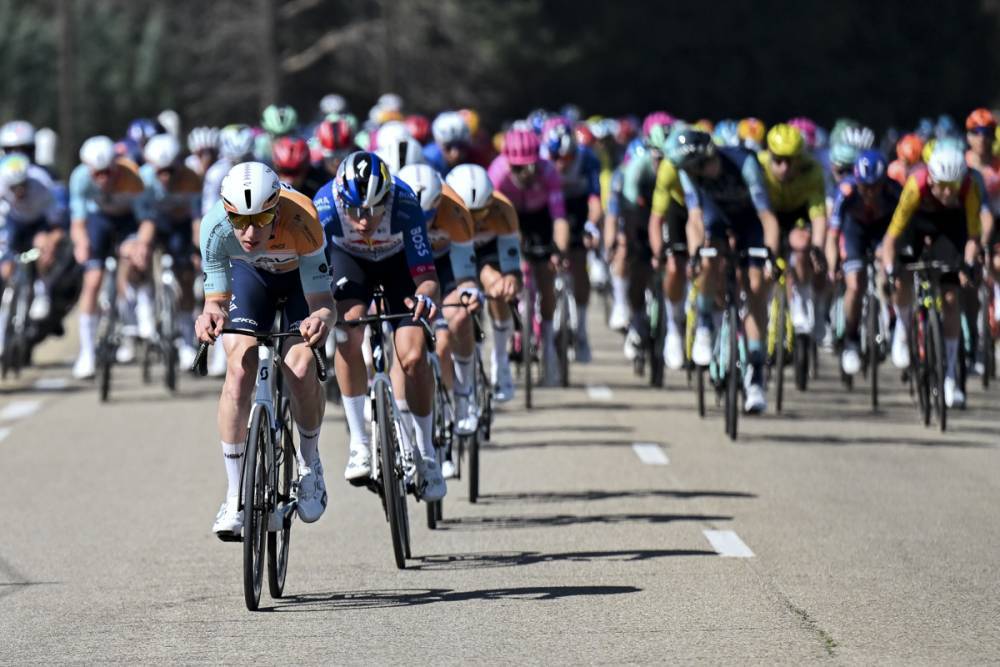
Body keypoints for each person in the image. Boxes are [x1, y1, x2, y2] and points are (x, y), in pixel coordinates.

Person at [196, 161, 335, 538]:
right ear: (227, 212)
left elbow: (323, 302)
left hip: (298, 283)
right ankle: (235, 495)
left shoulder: (303, 218)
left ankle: (309, 465)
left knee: (300, 368)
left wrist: (320, 320)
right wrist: (209, 316)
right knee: (239, 369)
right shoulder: (214, 227)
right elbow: (215, 301)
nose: (250, 231)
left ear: (277, 208)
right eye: (240, 221)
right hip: (250, 279)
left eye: (261, 219)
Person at [313, 151, 447, 501]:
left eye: (373, 210)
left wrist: (425, 298)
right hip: (350, 262)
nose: (363, 221)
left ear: (387, 198)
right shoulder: (324, 207)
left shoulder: (405, 202)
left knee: (413, 357)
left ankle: (427, 454)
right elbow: (314, 275)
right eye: (355, 210)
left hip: (398, 265)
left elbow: (427, 277)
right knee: (348, 332)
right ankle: (359, 442)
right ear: (341, 200)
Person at [670, 129, 780, 413]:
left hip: (749, 220)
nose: (695, 173)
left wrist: (771, 256)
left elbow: (767, 217)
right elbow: (695, 219)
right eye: (690, 170)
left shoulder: (744, 164)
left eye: (698, 167)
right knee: (708, 258)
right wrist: (695, 254)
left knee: (755, 286)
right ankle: (705, 324)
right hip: (715, 218)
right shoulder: (688, 172)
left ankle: (756, 373)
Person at [882, 143, 982, 408]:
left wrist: (968, 263)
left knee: (950, 298)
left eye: (953, 186)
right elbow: (891, 237)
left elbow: (973, 236)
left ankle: (950, 374)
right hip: (917, 224)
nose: (948, 192)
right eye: (943, 186)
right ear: (932, 179)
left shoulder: (969, 188)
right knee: (903, 276)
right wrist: (890, 270)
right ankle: (903, 328)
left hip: (951, 227)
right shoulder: (916, 185)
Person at [397, 163, 479, 475]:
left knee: (450, 330)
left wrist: (469, 294)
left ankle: (461, 394)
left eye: (430, 214)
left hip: (445, 268)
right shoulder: (396, 209)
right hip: (407, 270)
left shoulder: (456, 211)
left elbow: (466, 273)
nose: (424, 221)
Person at [68, 136, 155, 379]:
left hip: (128, 221)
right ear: (88, 170)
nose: (103, 179)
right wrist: (81, 243)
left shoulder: (132, 177)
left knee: (135, 258)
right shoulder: (79, 178)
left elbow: (147, 220)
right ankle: (87, 353)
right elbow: (78, 222)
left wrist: (142, 245)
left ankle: (141, 309)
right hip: (100, 220)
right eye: (97, 174)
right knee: (92, 280)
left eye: (108, 172)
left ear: (116, 166)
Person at [488, 127, 569, 385]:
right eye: (518, 168)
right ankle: (513, 329)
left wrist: (559, 251)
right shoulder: (497, 174)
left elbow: (559, 217)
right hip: (508, 218)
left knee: (546, 278)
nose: (525, 173)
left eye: (530, 167)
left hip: (540, 218)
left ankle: (548, 343)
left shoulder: (548, 172)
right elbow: (492, 222)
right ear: (508, 163)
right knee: (510, 270)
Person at [447, 163, 523, 403]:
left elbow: (512, 266)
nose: (474, 222)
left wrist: (510, 280)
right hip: (451, 253)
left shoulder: (503, 210)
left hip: (487, 253)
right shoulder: (443, 209)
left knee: (497, 284)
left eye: (481, 214)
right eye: (468, 214)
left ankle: (500, 358)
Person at [827, 150, 900, 375]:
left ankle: (894, 323)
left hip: (882, 230)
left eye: (875, 187)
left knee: (889, 272)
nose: (869, 192)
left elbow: (906, 227)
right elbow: (832, 235)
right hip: (854, 232)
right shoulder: (846, 191)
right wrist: (832, 266)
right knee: (855, 285)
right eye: (864, 187)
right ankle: (851, 339)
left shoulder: (895, 190)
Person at [758, 123, 829, 339]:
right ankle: (761, 304)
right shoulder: (758, 166)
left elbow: (818, 216)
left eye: (790, 161)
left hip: (797, 213)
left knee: (802, 244)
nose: (784, 168)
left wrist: (817, 248)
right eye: (778, 160)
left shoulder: (812, 171)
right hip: (767, 213)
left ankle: (803, 298)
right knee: (762, 262)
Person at [541, 117, 603, 362]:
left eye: (565, 158)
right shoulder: (541, 160)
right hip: (548, 207)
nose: (560, 163)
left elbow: (595, 201)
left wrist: (591, 226)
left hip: (577, 207)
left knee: (579, 262)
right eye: (555, 157)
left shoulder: (587, 159)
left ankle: (582, 329)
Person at [139, 134, 202, 367]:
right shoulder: (143, 179)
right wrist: (142, 246)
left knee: (185, 276)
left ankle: (186, 339)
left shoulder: (191, 178)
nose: (165, 177)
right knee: (139, 259)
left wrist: (199, 249)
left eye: (170, 171)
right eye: (160, 172)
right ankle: (144, 313)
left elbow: (196, 218)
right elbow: (144, 220)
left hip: (180, 227)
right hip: (154, 224)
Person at [0, 154, 66, 333]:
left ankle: (42, 291)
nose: (19, 191)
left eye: (22, 185)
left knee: (42, 245)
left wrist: (50, 242)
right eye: (13, 188)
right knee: (6, 268)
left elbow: (57, 226)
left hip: (39, 223)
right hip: (13, 221)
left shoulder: (42, 183)